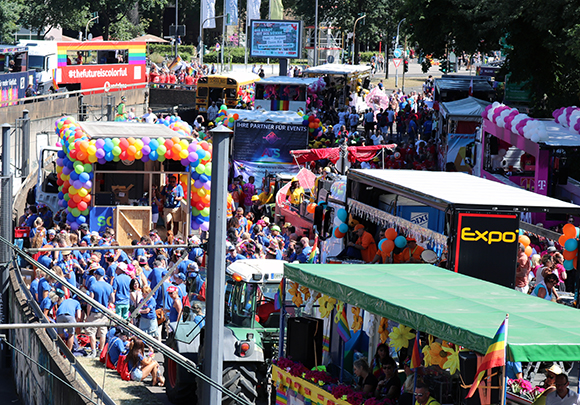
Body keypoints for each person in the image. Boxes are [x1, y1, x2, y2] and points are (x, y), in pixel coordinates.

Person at [86, 267, 114, 357]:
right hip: (104, 312)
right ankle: (101, 351)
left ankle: (93, 351)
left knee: (92, 332)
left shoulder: (93, 286)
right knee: (103, 332)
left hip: (94, 312)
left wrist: (88, 314)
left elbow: (90, 301)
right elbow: (112, 299)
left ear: (96, 275)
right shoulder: (109, 286)